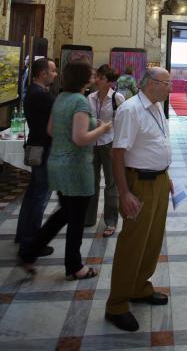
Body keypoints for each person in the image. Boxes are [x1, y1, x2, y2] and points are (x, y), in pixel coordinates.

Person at [19, 61, 112, 279]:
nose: (93, 75)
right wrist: (101, 128)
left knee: (64, 214)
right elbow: (80, 139)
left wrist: (85, 126)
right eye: (90, 73)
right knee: (75, 218)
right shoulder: (79, 101)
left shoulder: (61, 97)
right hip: (75, 168)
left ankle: (29, 252)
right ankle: (75, 266)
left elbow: (51, 129)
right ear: (82, 77)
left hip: (57, 163)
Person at [105, 68, 173, 333]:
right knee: (133, 242)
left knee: (152, 239)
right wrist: (124, 193)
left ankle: (139, 287)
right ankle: (117, 304)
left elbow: (156, 143)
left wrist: (165, 175)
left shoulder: (155, 107)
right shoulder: (131, 110)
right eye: (167, 84)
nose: (171, 88)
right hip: (138, 184)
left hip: (157, 180)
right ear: (152, 84)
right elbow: (118, 154)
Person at [15, 58, 58, 253]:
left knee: (33, 193)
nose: (55, 74)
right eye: (53, 71)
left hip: (36, 145)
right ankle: (31, 241)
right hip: (43, 148)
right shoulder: (41, 95)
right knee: (40, 195)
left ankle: (23, 234)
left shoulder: (33, 91)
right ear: (43, 74)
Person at [85, 64, 125, 236]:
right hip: (92, 143)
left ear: (110, 82)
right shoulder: (90, 97)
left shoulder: (117, 98)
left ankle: (110, 221)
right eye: (97, 77)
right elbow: (86, 118)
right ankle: (89, 218)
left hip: (110, 144)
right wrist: (95, 123)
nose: (96, 80)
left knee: (111, 184)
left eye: (101, 78)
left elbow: (123, 123)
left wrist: (116, 145)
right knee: (91, 183)